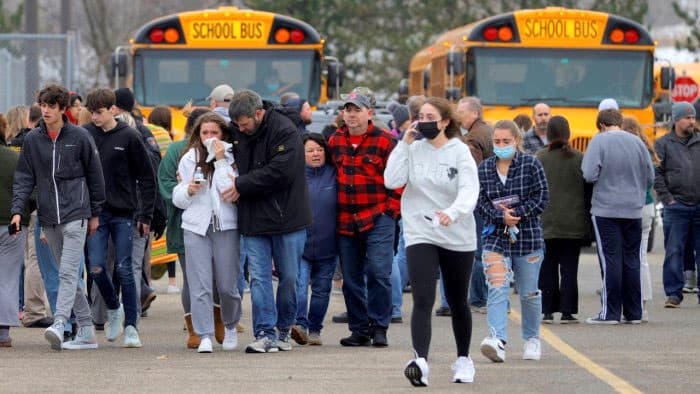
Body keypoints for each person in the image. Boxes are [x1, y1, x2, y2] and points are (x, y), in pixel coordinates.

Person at [386, 97, 479, 386]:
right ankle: (420, 362)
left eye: (430, 116)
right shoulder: (412, 149)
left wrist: (453, 213)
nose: (423, 120)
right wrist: (404, 143)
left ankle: (463, 359)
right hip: (420, 231)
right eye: (420, 115)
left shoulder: (459, 152)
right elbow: (392, 180)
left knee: (456, 300)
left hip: (457, 233)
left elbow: (469, 190)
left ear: (444, 121)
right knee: (423, 298)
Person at [11, 84, 106, 350]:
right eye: (43, 105)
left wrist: (96, 212)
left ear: (62, 109)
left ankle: (60, 321)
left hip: (77, 213)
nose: (46, 111)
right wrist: (18, 211)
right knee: (68, 276)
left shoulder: (80, 136)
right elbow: (23, 179)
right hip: (48, 217)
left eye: (52, 106)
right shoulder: (32, 139)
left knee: (67, 271)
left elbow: (95, 176)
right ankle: (86, 329)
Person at [224, 89, 311, 353]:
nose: (241, 128)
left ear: (259, 114)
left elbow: (280, 172)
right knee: (259, 278)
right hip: (253, 217)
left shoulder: (285, 130)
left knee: (288, 277)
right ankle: (264, 332)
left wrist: (242, 184)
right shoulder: (237, 130)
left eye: (245, 123)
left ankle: (284, 329)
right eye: (237, 124)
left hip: (288, 217)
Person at [83, 88, 157, 347]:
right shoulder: (86, 135)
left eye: (99, 112)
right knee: (96, 266)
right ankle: (113, 308)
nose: (95, 117)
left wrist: (145, 215)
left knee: (125, 268)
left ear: (112, 109)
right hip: (96, 214)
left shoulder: (129, 136)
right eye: (91, 112)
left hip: (124, 213)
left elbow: (147, 178)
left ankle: (132, 326)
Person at [328, 91, 401, 347]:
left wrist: (392, 211)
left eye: (357, 110)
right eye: (347, 110)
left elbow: (399, 179)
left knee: (379, 272)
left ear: (369, 113)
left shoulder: (385, 141)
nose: (351, 114)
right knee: (351, 278)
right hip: (346, 219)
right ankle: (359, 329)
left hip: (378, 216)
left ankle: (380, 327)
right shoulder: (335, 141)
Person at [477, 120, 549, 363]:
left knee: (529, 293)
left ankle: (532, 338)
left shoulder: (531, 164)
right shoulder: (485, 168)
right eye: (497, 142)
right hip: (495, 236)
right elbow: (480, 202)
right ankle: (497, 339)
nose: (501, 146)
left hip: (528, 236)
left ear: (516, 141)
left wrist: (517, 214)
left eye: (506, 142)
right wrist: (500, 216)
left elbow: (542, 197)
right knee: (497, 287)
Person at [173, 112, 242, 353]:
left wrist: (221, 159)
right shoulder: (189, 158)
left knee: (227, 285)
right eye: (205, 133)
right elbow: (178, 198)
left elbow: (228, 191)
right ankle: (204, 334)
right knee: (199, 283)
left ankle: (231, 324)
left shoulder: (233, 157)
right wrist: (188, 191)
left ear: (223, 134)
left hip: (226, 225)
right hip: (195, 226)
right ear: (197, 134)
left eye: (214, 133)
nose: (209, 137)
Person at [582, 109, 654, 324]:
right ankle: (634, 312)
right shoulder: (637, 142)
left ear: (602, 125)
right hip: (633, 209)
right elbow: (650, 176)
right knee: (633, 259)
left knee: (611, 259)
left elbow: (588, 174)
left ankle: (610, 312)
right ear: (619, 123)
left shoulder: (599, 141)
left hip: (606, 209)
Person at [158, 107, 212, 349]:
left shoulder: (223, 149)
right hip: (185, 224)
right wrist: (185, 193)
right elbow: (166, 184)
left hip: (219, 225)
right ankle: (195, 330)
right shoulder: (176, 150)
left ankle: (216, 322)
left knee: (219, 277)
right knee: (192, 279)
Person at [537, 116, 589, 324]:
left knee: (547, 266)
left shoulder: (540, 157)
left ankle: (547, 310)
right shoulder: (579, 157)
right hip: (573, 222)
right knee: (569, 268)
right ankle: (568, 311)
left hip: (547, 221)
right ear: (568, 133)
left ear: (548, 134)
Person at [290, 133, 338, 346]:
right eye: (310, 150)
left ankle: (315, 330)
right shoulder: (295, 175)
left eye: (319, 150)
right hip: (301, 245)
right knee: (299, 288)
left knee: (321, 290)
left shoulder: (334, 174)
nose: (315, 154)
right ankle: (300, 325)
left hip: (329, 245)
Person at [654, 102, 700, 308]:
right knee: (674, 251)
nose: (692, 121)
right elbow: (657, 174)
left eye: (693, 117)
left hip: (698, 206)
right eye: (688, 118)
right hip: (676, 206)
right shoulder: (663, 143)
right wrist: (668, 199)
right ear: (676, 119)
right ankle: (673, 293)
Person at [456, 96, 493, 315]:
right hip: (490, 198)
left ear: (474, 114)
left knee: (479, 250)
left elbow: (472, 172)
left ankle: (479, 298)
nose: (459, 115)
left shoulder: (473, 138)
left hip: (479, 200)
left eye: (462, 112)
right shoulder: (487, 131)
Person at [1, 119, 34, 347]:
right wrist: (23, 213)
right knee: (8, 278)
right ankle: (3, 332)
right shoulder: (15, 158)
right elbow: (30, 191)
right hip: (12, 225)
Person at [621, 116, 657, 320]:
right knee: (641, 258)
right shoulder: (645, 148)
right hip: (647, 203)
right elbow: (651, 178)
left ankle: (632, 304)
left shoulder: (627, 150)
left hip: (630, 206)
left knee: (630, 258)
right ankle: (642, 305)